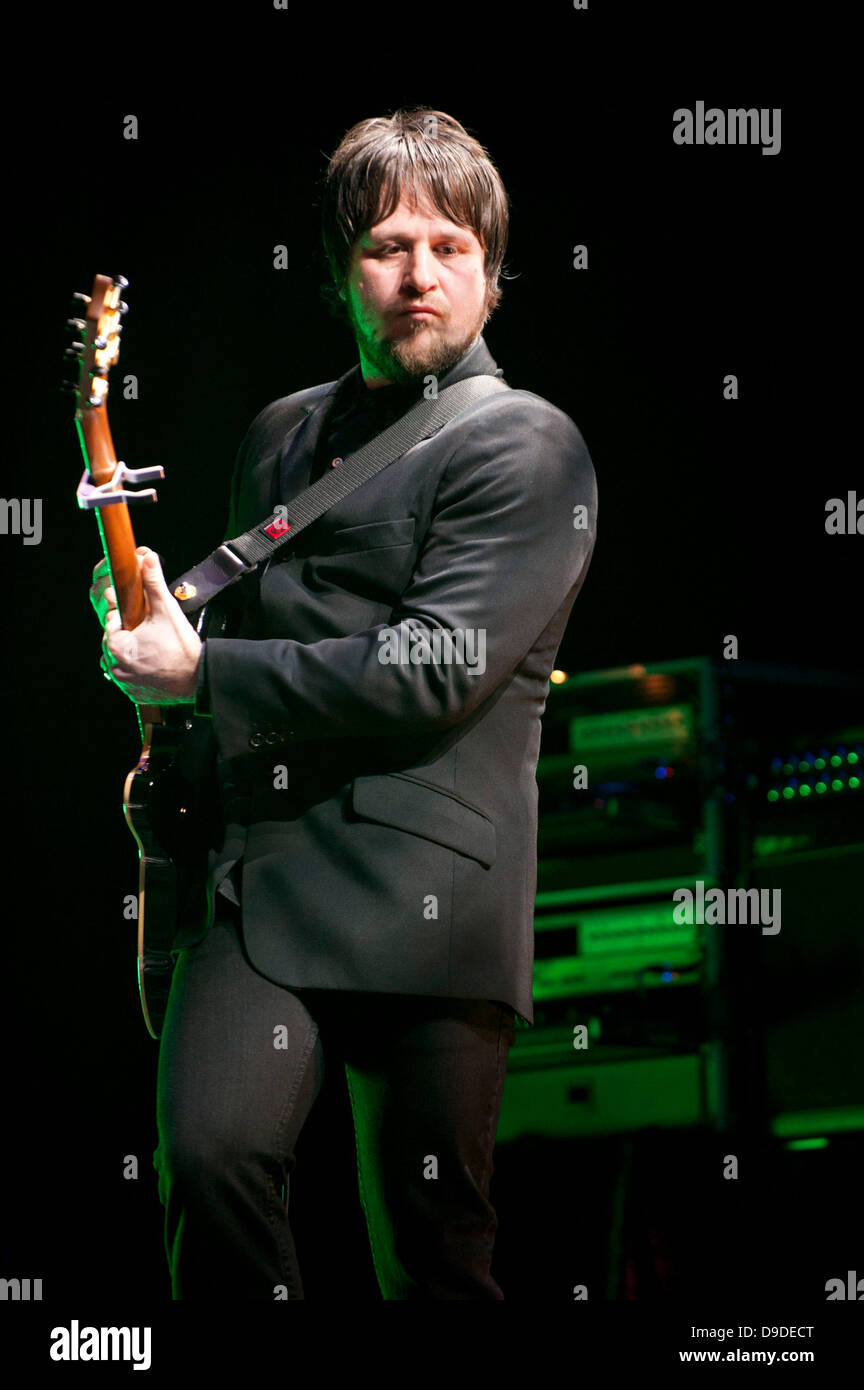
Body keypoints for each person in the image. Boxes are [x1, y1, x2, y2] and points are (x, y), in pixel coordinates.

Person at [90, 107, 598, 1300]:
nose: (418, 274)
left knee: (429, 1248)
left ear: (490, 272)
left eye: (450, 247)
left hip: (426, 896)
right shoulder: (281, 434)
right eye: (385, 246)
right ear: (338, 272)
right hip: (258, 878)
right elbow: (239, 646)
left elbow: (437, 664)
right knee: (209, 1161)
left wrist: (204, 671)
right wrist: (163, 622)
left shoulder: (527, 444)